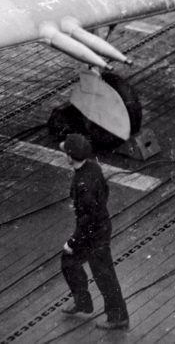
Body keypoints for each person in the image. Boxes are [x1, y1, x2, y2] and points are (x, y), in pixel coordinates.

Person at [59, 133, 129, 330]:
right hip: (97, 227)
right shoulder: (92, 167)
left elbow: (87, 220)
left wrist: (72, 242)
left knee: (104, 275)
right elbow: (104, 193)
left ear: (71, 157)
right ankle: (82, 301)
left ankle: (118, 317)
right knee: (69, 261)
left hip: (94, 234)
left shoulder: (84, 185)